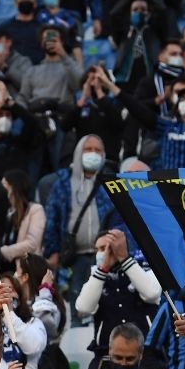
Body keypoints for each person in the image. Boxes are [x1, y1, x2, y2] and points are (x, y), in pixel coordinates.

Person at [43, 133, 115, 314]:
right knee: (78, 307)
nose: (93, 154)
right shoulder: (64, 183)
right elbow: (53, 218)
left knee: (106, 305)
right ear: (78, 153)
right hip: (74, 258)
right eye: (88, 149)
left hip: (106, 256)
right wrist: (52, 250)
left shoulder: (110, 181)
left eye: (98, 150)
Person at [75, 227, 161, 369]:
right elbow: (84, 307)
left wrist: (124, 259)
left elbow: (152, 293)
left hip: (145, 356)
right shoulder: (96, 277)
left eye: (106, 248)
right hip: (106, 357)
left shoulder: (145, 269)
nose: (101, 253)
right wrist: (103, 270)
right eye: (98, 249)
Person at [0, 169, 45, 268]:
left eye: (4, 185)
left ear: (14, 188)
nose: (1, 190)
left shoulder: (35, 210)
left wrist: (2, 251)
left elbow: (32, 244)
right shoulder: (4, 211)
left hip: (24, 270)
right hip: (2, 269)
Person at [0, 0, 45, 64]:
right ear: (15, 3)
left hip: (38, 72)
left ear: (35, 4)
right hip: (12, 72)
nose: (26, 0)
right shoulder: (3, 28)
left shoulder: (44, 28)